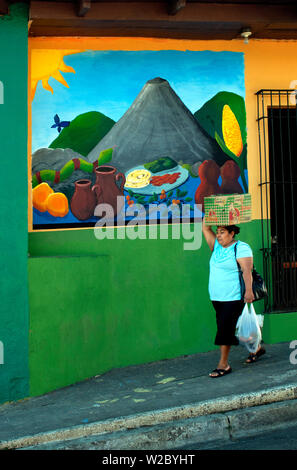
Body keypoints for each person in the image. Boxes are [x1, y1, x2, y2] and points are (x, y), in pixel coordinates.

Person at [202, 219, 265, 378]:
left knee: (224, 329)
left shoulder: (241, 248)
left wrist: (249, 292)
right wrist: (211, 213)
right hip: (217, 297)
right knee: (234, 325)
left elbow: (246, 271)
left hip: (234, 296)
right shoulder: (216, 246)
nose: (218, 235)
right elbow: (205, 228)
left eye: (222, 232)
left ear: (232, 233)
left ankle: (223, 365)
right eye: (217, 231)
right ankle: (256, 349)